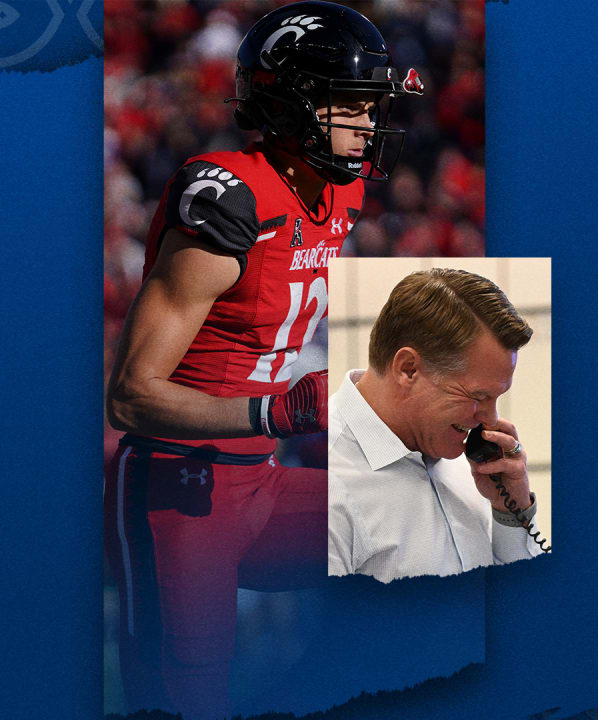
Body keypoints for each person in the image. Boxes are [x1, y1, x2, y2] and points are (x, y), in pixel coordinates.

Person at [103, 3, 421, 718]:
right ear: (291, 101)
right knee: (186, 697)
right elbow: (130, 396)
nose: (369, 123)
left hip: (262, 484)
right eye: (351, 104)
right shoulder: (230, 197)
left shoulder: (341, 188)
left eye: (373, 105)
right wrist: (275, 410)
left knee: (446, 519)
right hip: (179, 488)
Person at [328, 268, 547, 581]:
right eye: (478, 396)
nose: (490, 420)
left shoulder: (464, 454)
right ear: (408, 370)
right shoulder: (326, 485)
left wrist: (512, 512)